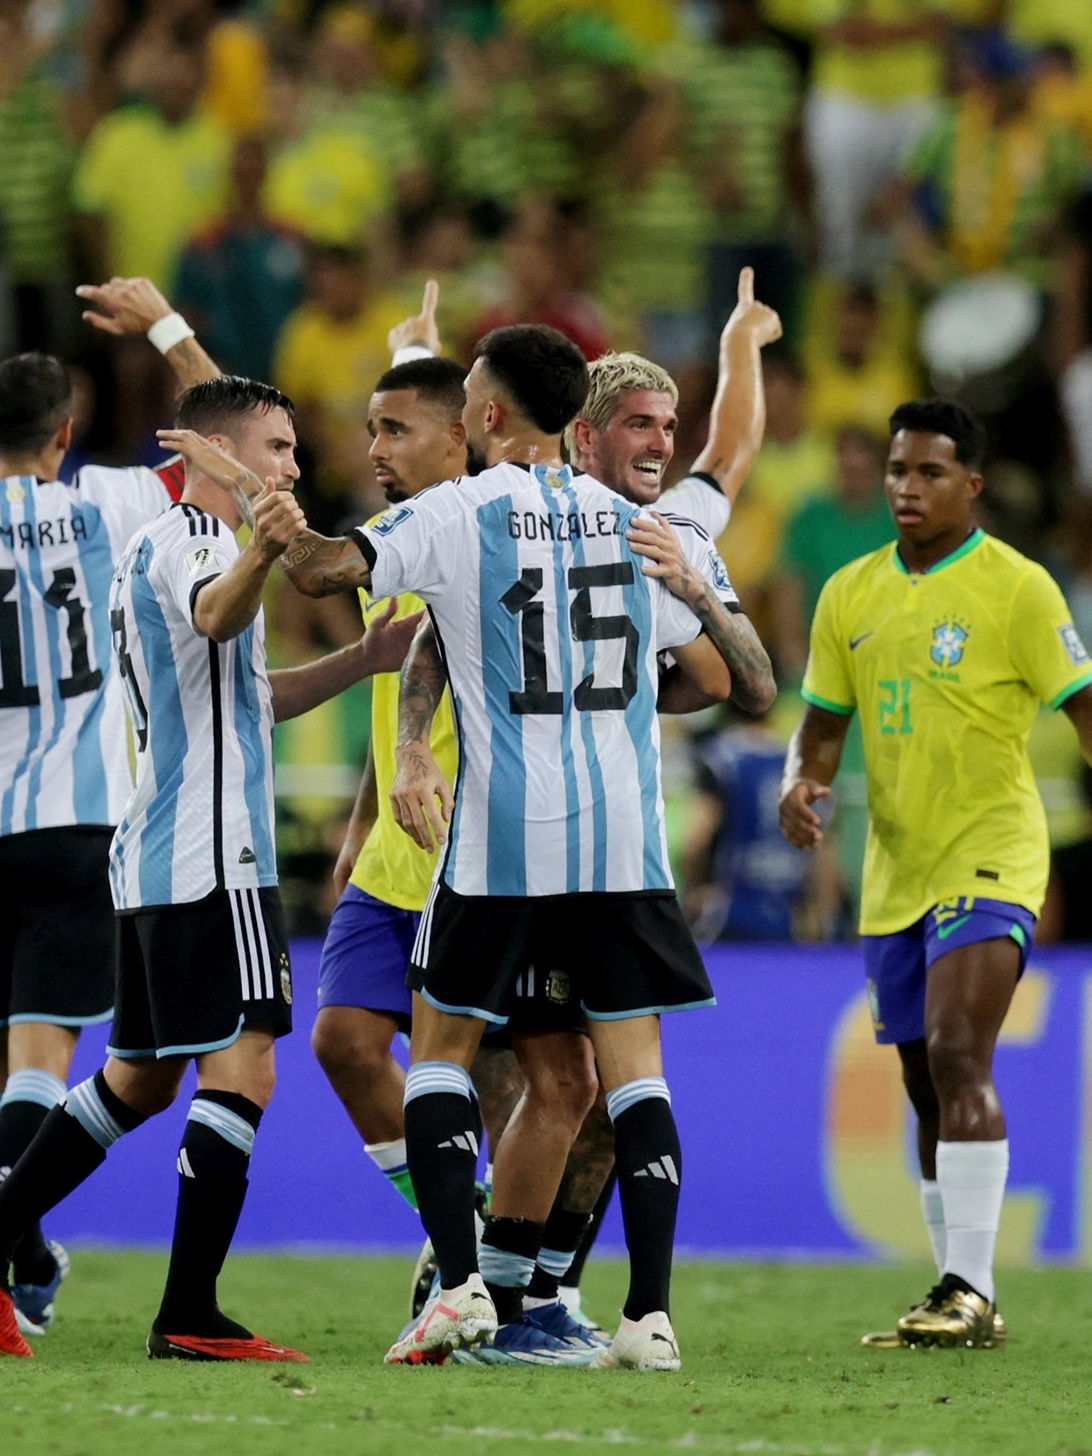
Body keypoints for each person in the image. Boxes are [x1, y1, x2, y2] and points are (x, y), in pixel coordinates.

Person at [158, 323, 732, 1372]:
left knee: (448, 1053)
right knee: (631, 1079)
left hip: (501, 838)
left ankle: (467, 1287)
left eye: (467, 395)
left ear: (494, 416)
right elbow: (726, 678)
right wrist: (697, 601)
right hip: (619, 843)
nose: (462, 411)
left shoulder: (460, 511)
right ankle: (647, 1314)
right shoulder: (638, 524)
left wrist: (259, 505)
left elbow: (330, 570)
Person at [0, 375, 418, 1361]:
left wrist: (362, 659)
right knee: (246, 1066)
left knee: (134, 1083)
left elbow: (245, 695)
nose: (293, 465)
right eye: (277, 448)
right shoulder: (199, 539)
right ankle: (190, 1310)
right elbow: (218, 617)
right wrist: (267, 549)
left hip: (155, 853)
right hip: (214, 857)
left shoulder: (169, 546)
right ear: (223, 456)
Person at [779, 397, 1092, 1349]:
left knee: (961, 1053)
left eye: (929, 474)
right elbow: (825, 726)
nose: (907, 490)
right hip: (896, 864)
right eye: (897, 472)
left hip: (993, 851)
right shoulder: (850, 593)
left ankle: (972, 1284)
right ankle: (958, 1291)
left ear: (974, 485)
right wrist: (803, 783)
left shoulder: (1020, 589)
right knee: (923, 1080)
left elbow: (1084, 709)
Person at [0, 277, 227, 1342]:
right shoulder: (111, 503)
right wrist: (171, 332)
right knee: (43, 1054)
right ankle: (18, 1247)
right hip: (80, 819)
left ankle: (22, 1252)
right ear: (66, 430)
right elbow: (232, 450)